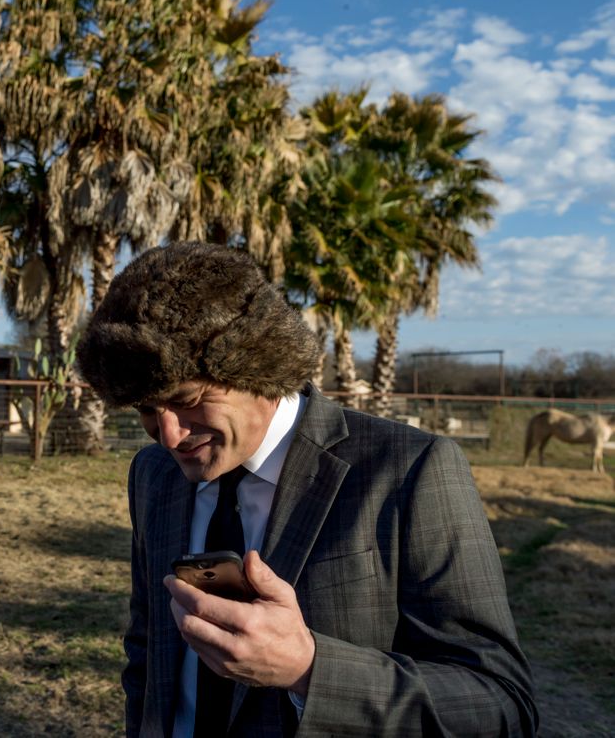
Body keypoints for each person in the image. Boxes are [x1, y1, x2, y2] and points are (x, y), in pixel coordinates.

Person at [75, 242, 537, 737]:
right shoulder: (153, 475)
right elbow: (147, 654)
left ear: (258, 366)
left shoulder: (410, 471)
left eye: (187, 400)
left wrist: (309, 669)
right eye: (145, 409)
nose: (168, 436)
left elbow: (500, 705)